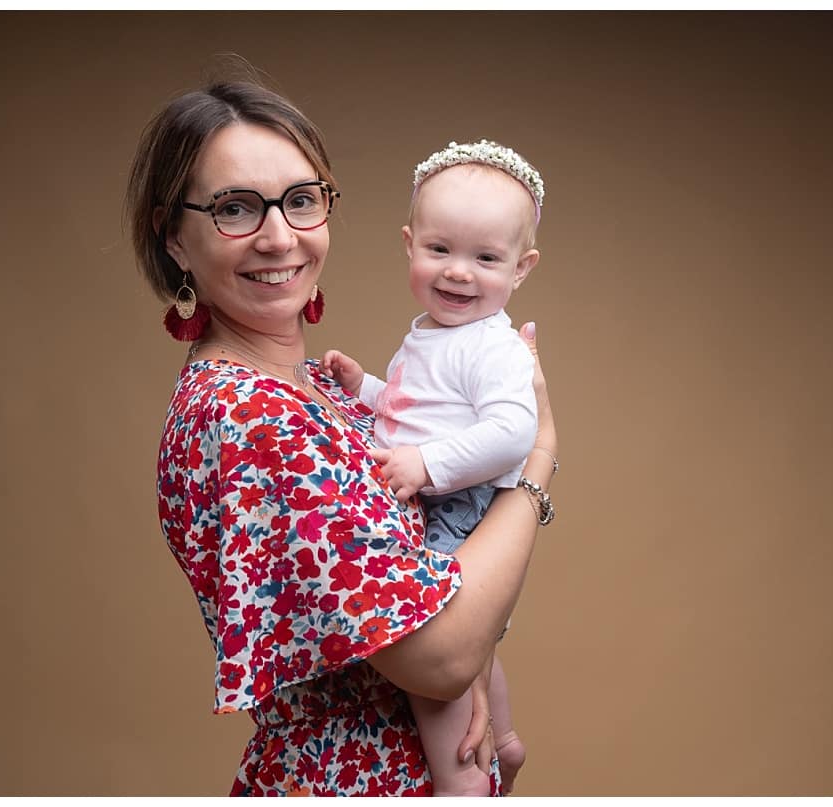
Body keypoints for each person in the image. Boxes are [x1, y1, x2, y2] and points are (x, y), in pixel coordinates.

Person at [125, 78, 558, 797]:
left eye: (300, 199)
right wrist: (538, 456)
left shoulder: (317, 388)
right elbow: (442, 656)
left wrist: (479, 665)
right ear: (174, 234)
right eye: (235, 208)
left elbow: (424, 579)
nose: (278, 236)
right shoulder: (248, 415)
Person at [320, 139, 545, 796]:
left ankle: (461, 780)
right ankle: (502, 740)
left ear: (522, 266)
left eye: (486, 258)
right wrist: (364, 386)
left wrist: (427, 464)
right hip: (433, 486)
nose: (459, 273)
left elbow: (513, 433)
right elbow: (411, 409)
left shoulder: (491, 344)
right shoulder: (433, 330)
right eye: (440, 249)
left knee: (434, 640)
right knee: (468, 643)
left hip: (458, 501)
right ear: (409, 243)